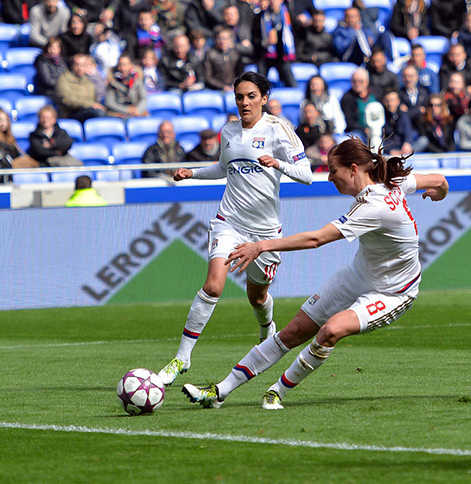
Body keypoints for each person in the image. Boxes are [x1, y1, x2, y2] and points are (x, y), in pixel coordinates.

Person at [181, 138, 448, 410]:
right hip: (358, 275)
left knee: (331, 330)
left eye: (333, 170)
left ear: (353, 169)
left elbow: (316, 239)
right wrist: (441, 192)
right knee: (293, 331)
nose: (330, 177)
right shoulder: (392, 182)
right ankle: (218, 392)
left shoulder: (374, 207)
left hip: (393, 291)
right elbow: (438, 180)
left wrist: (261, 246)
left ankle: (277, 391)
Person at [157, 72, 313, 387]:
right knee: (214, 285)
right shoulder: (229, 130)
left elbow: (307, 174)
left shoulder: (279, 130)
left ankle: (267, 329)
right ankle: (182, 358)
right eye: (240, 96)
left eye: (251, 96)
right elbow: (222, 167)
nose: (244, 102)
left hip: (266, 233)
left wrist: (278, 164)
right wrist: (193, 173)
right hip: (230, 221)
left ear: (264, 99)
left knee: (257, 297)